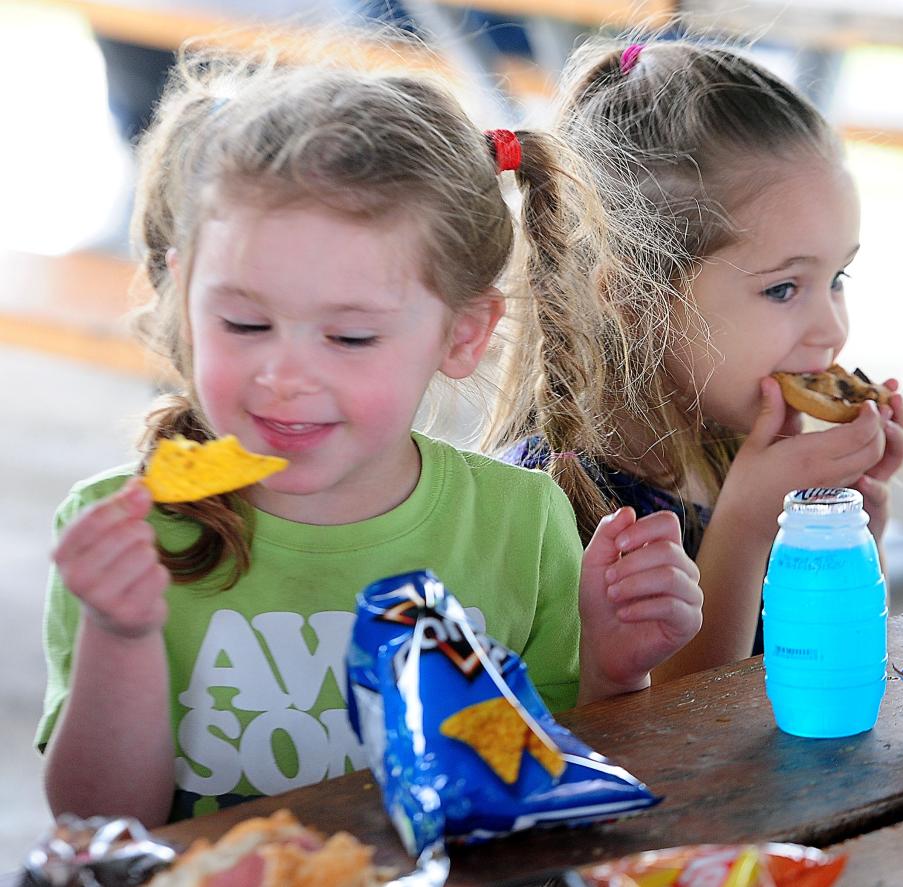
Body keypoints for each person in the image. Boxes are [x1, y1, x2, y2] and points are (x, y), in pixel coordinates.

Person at [37, 41, 703, 827]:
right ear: (183, 292)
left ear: (462, 333)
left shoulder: (520, 523)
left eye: (349, 338)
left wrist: (615, 674)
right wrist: (121, 633)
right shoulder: (124, 527)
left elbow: (551, 790)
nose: (283, 376)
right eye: (244, 322)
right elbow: (100, 826)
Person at [488, 36, 903, 681]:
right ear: (632, 296)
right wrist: (745, 524)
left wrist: (846, 535)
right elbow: (677, 744)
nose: (832, 329)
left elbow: (818, 676)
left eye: (839, 278)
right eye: (783, 288)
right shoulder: (541, 511)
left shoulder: (729, 450)